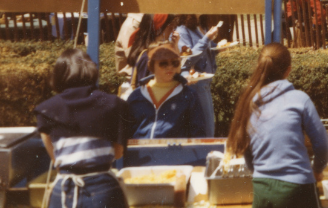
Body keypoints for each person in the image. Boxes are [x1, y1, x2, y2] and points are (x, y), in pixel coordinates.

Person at [226, 43, 328, 208]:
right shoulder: (299, 99)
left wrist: (261, 173)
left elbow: (248, 153)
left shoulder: (250, 102)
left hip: (263, 189)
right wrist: (318, 170)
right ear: (288, 70)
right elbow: (322, 144)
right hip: (299, 188)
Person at [35, 49, 128, 208]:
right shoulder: (115, 105)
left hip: (64, 189)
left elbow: (53, 154)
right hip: (103, 189)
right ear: (91, 70)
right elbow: (118, 153)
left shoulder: (46, 109)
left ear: (58, 74)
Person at [125, 42, 210, 139]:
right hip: (141, 152)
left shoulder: (189, 95)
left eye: (174, 63)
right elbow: (126, 133)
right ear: (151, 65)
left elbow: (198, 133)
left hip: (174, 152)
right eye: (163, 63)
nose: (170, 67)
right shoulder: (137, 96)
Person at [175, 15, 222, 137]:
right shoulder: (182, 31)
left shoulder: (201, 25)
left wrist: (217, 47)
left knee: (209, 128)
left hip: (205, 83)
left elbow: (203, 51)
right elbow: (188, 59)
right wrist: (206, 38)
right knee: (206, 131)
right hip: (195, 84)